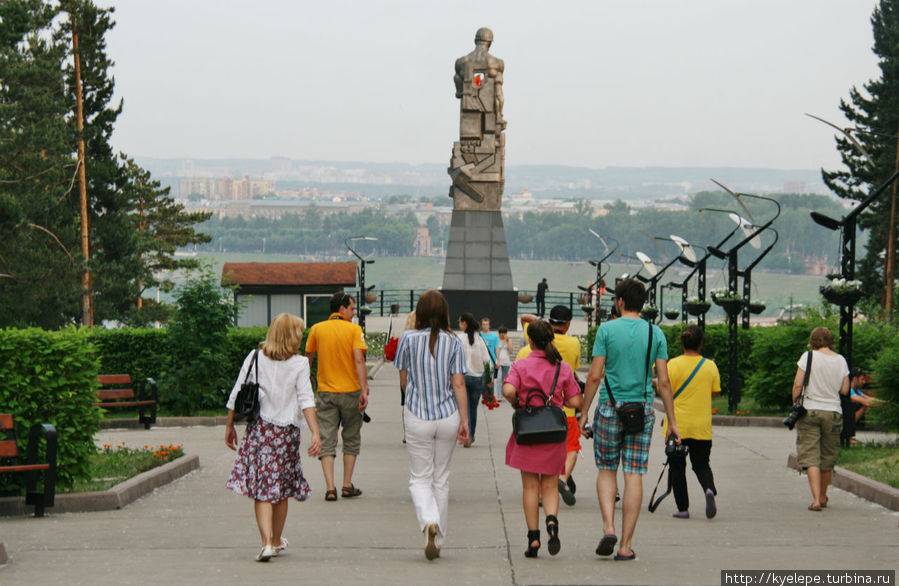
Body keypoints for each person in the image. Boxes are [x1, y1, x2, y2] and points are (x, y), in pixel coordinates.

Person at [579, 278, 680, 561]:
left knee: (607, 470)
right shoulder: (655, 333)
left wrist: (585, 412)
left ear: (620, 301)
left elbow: (595, 375)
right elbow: (664, 382)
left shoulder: (606, 330)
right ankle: (625, 545)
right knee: (634, 473)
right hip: (643, 411)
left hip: (610, 409)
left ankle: (608, 526)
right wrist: (672, 421)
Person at [225, 313, 322, 562]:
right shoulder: (300, 363)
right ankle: (276, 541)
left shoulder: (255, 356)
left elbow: (238, 391)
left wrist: (229, 426)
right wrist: (315, 432)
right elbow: (306, 399)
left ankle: (267, 543)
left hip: (260, 430)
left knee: (262, 489)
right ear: (291, 335)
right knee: (281, 489)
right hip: (287, 433)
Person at [394, 290, 470, 560]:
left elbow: (404, 380)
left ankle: (428, 521)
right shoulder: (454, 341)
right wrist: (464, 420)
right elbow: (458, 382)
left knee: (419, 478)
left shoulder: (408, 338)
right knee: (441, 479)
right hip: (447, 415)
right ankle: (439, 535)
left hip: (417, 414)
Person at [502, 319, 582, 558]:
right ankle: (551, 524)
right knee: (549, 486)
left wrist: (517, 402)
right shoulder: (562, 367)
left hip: (527, 432)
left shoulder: (521, 365)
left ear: (531, 341)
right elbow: (576, 401)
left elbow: (507, 390)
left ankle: (533, 539)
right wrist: (560, 401)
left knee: (530, 487)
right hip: (553, 434)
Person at [305, 292, 369, 501]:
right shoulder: (354, 330)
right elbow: (359, 360)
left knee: (326, 438)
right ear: (342, 309)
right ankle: (346, 484)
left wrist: (308, 382)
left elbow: (308, 358)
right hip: (350, 392)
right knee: (351, 437)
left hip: (326, 392)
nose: (353, 312)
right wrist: (364, 388)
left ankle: (330, 487)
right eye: (351, 308)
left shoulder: (316, 329)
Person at [520, 306, 582, 507]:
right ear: (568, 323)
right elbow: (575, 369)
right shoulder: (573, 344)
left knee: (536, 452)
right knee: (572, 447)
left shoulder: (524, 351)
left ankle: (538, 493)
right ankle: (562, 479)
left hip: (530, 415)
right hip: (563, 412)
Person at [663, 325, 721, 519]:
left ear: (682, 342)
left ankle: (683, 508)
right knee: (702, 464)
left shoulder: (672, 364)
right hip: (701, 425)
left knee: (677, 467)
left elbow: (665, 389)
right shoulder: (710, 366)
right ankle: (708, 489)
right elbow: (714, 392)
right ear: (701, 343)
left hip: (676, 424)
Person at [792, 327, 849, 511]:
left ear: (813, 340)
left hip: (810, 411)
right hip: (833, 412)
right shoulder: (840, 360)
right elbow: (845, 390)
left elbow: (798, 384)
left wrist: (794, 401)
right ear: (831, 340)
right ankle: (824, 496)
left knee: (810, 455)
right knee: (827, 456)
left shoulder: (807, 357)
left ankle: (816, 500)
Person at [457, 312, 491, 447]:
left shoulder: (459, 339)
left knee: (462, 408)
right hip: (477, 379)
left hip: (463, 378)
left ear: (464, 323)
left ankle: (464, 433)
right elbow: (487, 361)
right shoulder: (480, 340)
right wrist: (488, 379)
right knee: (473, 408)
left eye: (460, 322)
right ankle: (471, 435)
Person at [496, 326, 514, 391]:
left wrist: (508, 341)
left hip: (506, 362)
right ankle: (499, 395)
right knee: (499, 378)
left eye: (504, 333)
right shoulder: (497, 340)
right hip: (499, 362)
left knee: (504, 379)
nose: (502, 334)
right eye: (501, 333)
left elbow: (511, 351)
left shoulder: (509, 340)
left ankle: (503, 393)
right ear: (499, 333)